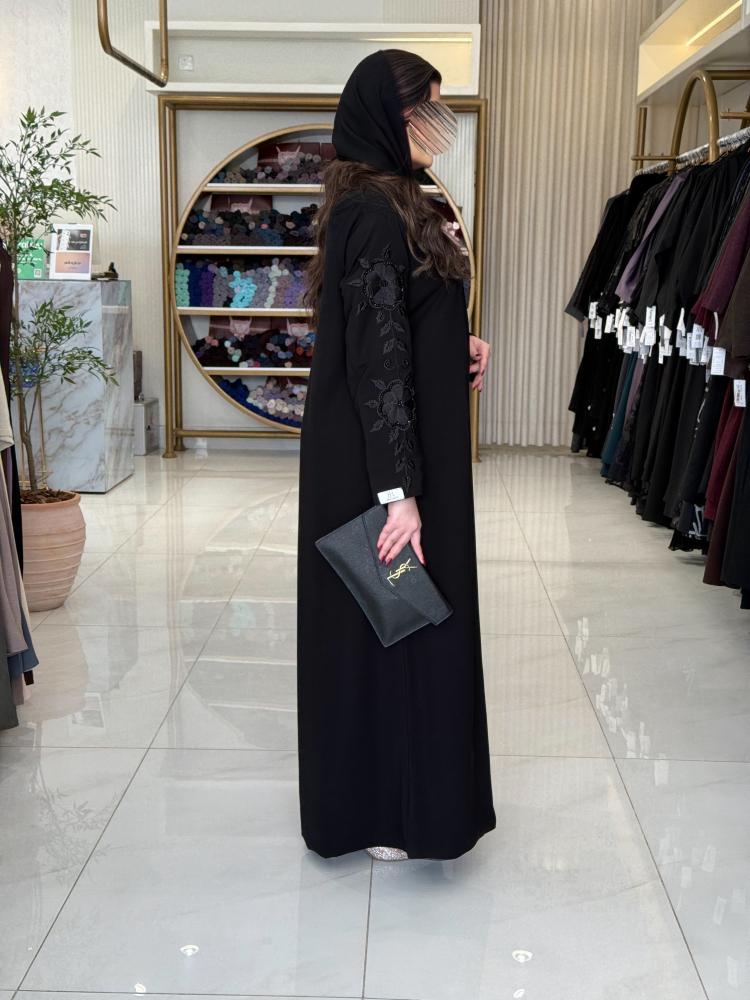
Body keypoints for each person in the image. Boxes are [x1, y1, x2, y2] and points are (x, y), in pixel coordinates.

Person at [297, 48, 496, 862]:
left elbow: (402, 328)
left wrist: (458, 346)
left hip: (404, 453)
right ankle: (383, 813)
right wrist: (397, 495)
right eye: (424, 112)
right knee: (392, 626)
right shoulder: (373, 212)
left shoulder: (394, 199)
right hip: (382, 464)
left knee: (408, 621)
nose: (435, 128)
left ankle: (406, 803)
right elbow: (376, 364)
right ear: (385, 115)